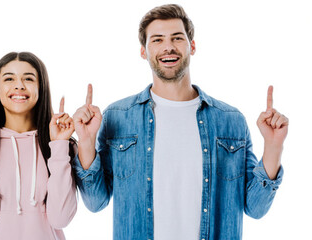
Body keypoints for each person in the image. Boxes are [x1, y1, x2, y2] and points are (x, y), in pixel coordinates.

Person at [71, 4, 289, 239]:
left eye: (177, 38)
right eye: (157, 40)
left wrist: (273, 146)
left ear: (191, 46)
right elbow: (95, 202)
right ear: (143, 51)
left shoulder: (230, 120)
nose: (168, 47)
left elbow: (256, 208)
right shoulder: (118, 116)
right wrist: (85, 142)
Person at [0, 52, 78, 240]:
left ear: (41, 88)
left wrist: (59, 145)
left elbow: (61, 218)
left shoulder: (61, 144)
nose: (19, 85)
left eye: (28, 78)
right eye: (9, 78)